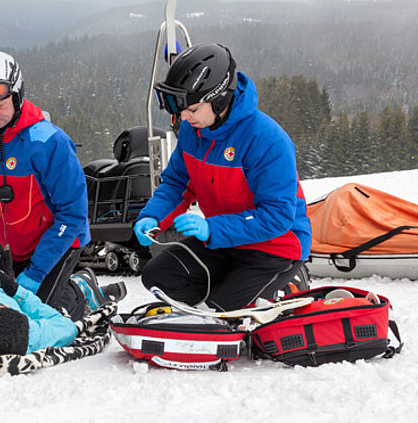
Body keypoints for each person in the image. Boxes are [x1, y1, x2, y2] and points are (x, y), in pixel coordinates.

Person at [0, 50, 123, 319]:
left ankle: (82, 288)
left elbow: (72, 214)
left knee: (39, 318)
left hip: (59, 242)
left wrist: (36, 273)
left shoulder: (49, 142)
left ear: (16, 96)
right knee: (7, 314)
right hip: (13, 246)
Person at [133, 43, 312, 311]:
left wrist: (213, 228)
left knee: (218, 316)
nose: (183, 116)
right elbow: (176, 184)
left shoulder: (267, 140)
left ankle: (286, 284)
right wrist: (153, 217)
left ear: (218, 100)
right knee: (157, 276)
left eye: (192, 109)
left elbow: (278, 216)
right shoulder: (191, 132)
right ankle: (227, 294)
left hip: (273, 248)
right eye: (180, 109)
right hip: (224, 243)